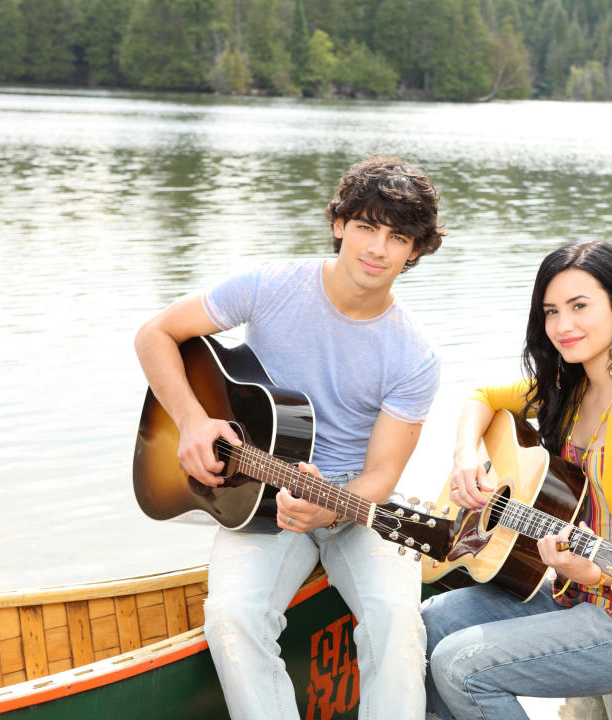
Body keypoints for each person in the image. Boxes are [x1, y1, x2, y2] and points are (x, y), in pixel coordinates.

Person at [134, 155, 445, 720]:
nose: (377, 249)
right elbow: (155, 334)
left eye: (397, 237)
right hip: (256, 493)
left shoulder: (414, 354)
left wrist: (330, 512)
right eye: (365, 227)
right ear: (339, 225)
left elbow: (381, 477)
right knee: (232, 616)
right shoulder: (271, 286)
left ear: (415, 251)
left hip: (351, 500)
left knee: (399, 622)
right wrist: (193, 421)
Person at [423, 240, 612, 720]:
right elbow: (483, 396)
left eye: (580, 306)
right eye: (551, 311)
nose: (563, 326)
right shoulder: (567, 390)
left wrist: (585, 570)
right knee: (429, 623)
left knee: (460, 665)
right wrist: (466, 456)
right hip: (569, 595)